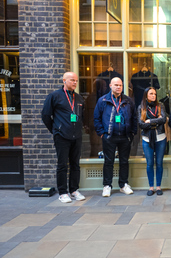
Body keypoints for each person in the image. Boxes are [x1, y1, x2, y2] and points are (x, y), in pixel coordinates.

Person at [41, 72, 86, 203]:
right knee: (62, 165)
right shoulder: (55, 96)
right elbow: (45, 115)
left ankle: (74, 190)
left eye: (76, 81)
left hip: (76, 136)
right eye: (72, 80)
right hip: (62, 136)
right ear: (64, 81)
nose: (75, 83)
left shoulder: (78, 98)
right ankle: (62, 192)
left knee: (75, 164)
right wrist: (55, 130)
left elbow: (81, 116)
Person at [94, 77, 137, 197]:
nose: (119, 87)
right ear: (110, 86)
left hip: (125, 136)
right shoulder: (102, 101)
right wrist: (102, 133)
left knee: (124, 161)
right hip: (109, 136)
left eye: (121, 85)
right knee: (108, 162)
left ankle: (123, 185)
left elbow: (134, 118)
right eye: (116, 85)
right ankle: (107, 185)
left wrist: (132, 133)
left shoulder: (128, 101)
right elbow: (96, 118)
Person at [138, 87, 167, 196]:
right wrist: (156, 121)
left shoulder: (160, 106)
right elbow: (141, 124)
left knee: (159, 163)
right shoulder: (141, 107)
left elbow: (163, 120)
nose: (153, 95)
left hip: (160, 138)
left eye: (154, 94)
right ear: (146, 95)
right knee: (150, 163)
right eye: (151, 94)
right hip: (147, 138)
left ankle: (158, 187)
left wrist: (150, 121)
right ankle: (151, 187)